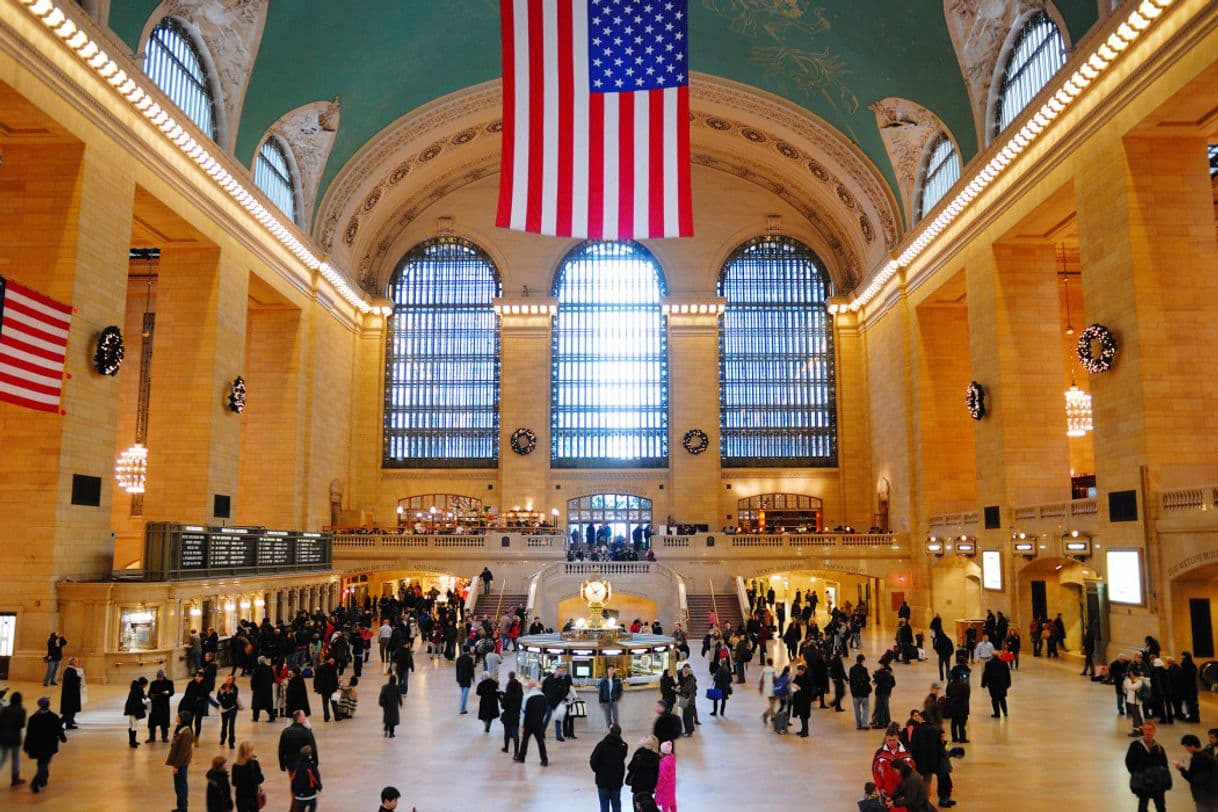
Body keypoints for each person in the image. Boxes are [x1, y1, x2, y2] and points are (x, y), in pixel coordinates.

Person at [1127, 721, 1171, 812]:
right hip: (1143, 781)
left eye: (1150, 730)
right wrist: (1136, 774)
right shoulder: (1135, 745)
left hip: (1157, 782)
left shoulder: (1159, 747)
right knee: (1143, 805)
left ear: (1154, 731)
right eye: (1145, 730)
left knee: (1160, 806)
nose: (1147, 732)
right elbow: (1129, 761)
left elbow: (1164, 764)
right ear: (1142, 730)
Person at [872, 723, 915, 812]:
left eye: (894, 740)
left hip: (904, 791)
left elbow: (913, 771)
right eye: (889, 740)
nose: (891, 742)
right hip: (888, 792)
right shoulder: (880, 754)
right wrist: (880, 788)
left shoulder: (906, 753)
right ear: (886, 739)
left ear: (898, 738)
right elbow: (876, 773)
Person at [590, 723, 629, 812]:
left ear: (609, 732)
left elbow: (593, 761)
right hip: (617, 780)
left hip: (603, 780)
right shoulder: (623, 746)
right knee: (616, 804)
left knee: (604, 806)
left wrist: (598, 771)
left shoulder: (601, 745)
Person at [1175, 733, 1218, 811]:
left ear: (1192, 746)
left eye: (1186, 746)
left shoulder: (1197, 758)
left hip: (1203, 795)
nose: (1186, 749)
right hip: (1214, 794)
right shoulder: (1207, 754)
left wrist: (1181, 769)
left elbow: (1192, 778)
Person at [167, 710, 195, 812]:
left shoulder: (186, 732)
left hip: (181, 763)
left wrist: (176, 765)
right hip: (179, 762)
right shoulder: (181, 728)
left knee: (181, 786)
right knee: (178, 786)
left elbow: (182, 752)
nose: (176, 717)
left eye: (178, 716)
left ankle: (183, 808)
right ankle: (180, 806)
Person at [516, 681, 549, 766]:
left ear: (530, 687)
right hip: (539, 723)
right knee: (540, 742)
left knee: (525, 741)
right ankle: (544, 760)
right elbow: (545, 710)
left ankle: (521, 757)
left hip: (528, 723)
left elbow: (523, 711)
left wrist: (522, 723)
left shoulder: (526, 697)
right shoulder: (542, 696)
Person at [0, 691, 26, 787]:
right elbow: (22, 725)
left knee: (3, 758)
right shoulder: (21, 710)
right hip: (14, 738)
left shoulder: (5, 709)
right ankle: (15, 779)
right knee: (15, 758)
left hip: (3, 737)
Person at [231, 741, 265, 812]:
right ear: (249, 752)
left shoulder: (235, 766)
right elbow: (260, 779)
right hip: (252, 796)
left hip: (240, 796)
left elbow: (234, 782)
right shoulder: (254, 764)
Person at [625, 736, 660, 800]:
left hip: (637, 787)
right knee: (647, 807)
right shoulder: (655, 756)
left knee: (637, 806)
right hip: (649, 787)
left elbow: (630, 767)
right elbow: (657, 773)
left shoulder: (638, 754)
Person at [290, 744, 322, 812]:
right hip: (310, 794)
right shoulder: (311, 765)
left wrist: (293, 790)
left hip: (299, 796)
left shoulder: (296, 765)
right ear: (309, 755)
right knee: (313, 805)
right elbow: (316, 778)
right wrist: (319, 787)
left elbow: (293, 779)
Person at [981, 651, 1011, 717]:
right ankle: (1005, 712)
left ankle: (997, 713)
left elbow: (986, 675)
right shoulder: (1004, 663)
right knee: (1002, 699)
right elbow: (1007, 675)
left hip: (993, 685)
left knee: (994, 699)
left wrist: (983, 684)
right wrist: (1008, 684)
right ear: (998, 656)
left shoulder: (988, 664)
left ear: (992, 656)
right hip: (1002, 685)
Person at [500, 671, 523, 757]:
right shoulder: (519, 693)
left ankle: (506, 748)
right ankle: (516, 752)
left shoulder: (507, 694)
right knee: (515, 734)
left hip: (508, 715)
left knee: (507, 732)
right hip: (516, 714)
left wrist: (501, 697)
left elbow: (503, 706)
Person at [59, 656, 84, 729]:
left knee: (71, 711)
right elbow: (72, 682)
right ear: (73, 662)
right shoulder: (70, 671)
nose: (77, 663)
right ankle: (58, 725)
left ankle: (69, 724)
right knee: (68, 712)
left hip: (71, 694)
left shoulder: (71, 670)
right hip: (70, 695)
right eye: (76, 662)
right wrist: (78, 678)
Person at [850, 653, 872, 731]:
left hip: (855, 693)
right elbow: (868, 679)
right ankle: (864, 724)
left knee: (857, 710)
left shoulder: (852, 669)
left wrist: (852, 692)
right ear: (862, 660)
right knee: (865, 708)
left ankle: (858, 725)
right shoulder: (864, 669)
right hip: (864, 693)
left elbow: (851, 682)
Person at [791, 662, 814, 738]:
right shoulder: (798, 676)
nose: (799, 672)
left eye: (800, 671)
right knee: (801, 716)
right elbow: (794, 682)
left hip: (805, 700)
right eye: (798, 670)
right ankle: (803, 730)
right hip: (799, 700)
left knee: (804, 716)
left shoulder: (808, 678)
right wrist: (794, 685)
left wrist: (800, 688)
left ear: (804, 671)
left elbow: (809, 689)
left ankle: (805, 731)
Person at [124, 676, 148, 748]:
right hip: (134, 710)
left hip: (130, 709)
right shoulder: (138, 690)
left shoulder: (136, 688)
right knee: (134, 725)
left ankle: (132, 741)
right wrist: (145, 706)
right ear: (143, 684)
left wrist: (143, 696)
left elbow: (138, 698)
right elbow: (137, 702)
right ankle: (133, 742)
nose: (146, 686)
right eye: (146, 684)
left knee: (131, 725)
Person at [217, 674, 240, 748]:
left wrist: (228, 694)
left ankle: (231, 742)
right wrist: (223, 694)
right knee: (224, 725)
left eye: (230, 679)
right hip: (224, 709)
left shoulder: (235, 688)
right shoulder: (222, 687)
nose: (228, 680)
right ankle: (222, 739)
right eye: (227, 678)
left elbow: (233, 699)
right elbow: (218, 698)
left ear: (233, 681)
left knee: (231, 725)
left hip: (232, 708)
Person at [250, 657, 275, 722]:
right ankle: (272, 717)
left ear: (258, 662)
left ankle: (255, 718)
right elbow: (273, 679)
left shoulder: (256, 669)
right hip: (267, 690)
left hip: (258, 690)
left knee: (256, 705)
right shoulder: (269, 668)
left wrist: (253, 688)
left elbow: (253, 680)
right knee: (268, 704)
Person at [654, 740, 677, 812]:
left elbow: (663, 777)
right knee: (672, 802)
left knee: (665, 804)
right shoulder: (672, 758)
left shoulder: (664, 763)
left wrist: (658, 787)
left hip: (665, 787)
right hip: (672, 785)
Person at [379, 674, 402, 738]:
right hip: (394, 706)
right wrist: (400, 703)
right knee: (393, 720)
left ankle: (386, 728)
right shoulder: (397, 687)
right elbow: (399, 696)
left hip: (386, 706)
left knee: (387, 717)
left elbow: (382, 695)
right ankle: (391, 732)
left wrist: (381, 703)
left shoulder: (384, 687)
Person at [456, 648, 474, 714]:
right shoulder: (470, 659)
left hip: (461, 678)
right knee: (465, 694)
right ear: (468, 651)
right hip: (467, 679)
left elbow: (457, 670)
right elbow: (471, 670)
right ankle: (462, 709)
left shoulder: (459, 659)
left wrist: (457, 678)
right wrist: (473, 678)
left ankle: (463, 708)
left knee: (463, 692)